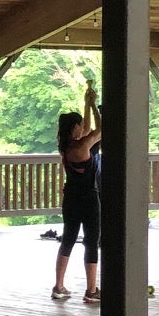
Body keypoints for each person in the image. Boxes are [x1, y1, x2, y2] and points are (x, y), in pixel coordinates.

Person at [53, 81, 102, 301]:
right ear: (74, 128)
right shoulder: (82, 147)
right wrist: (94, 106)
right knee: (91, 242)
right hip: (89, 199)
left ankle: (59, 285)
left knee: (68, 239)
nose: (82, 127)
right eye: (79, 125)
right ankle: (91, 290)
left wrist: (86, 102)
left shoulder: (66, 146)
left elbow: (88, 129)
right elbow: (100, 130)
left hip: (71, 198)